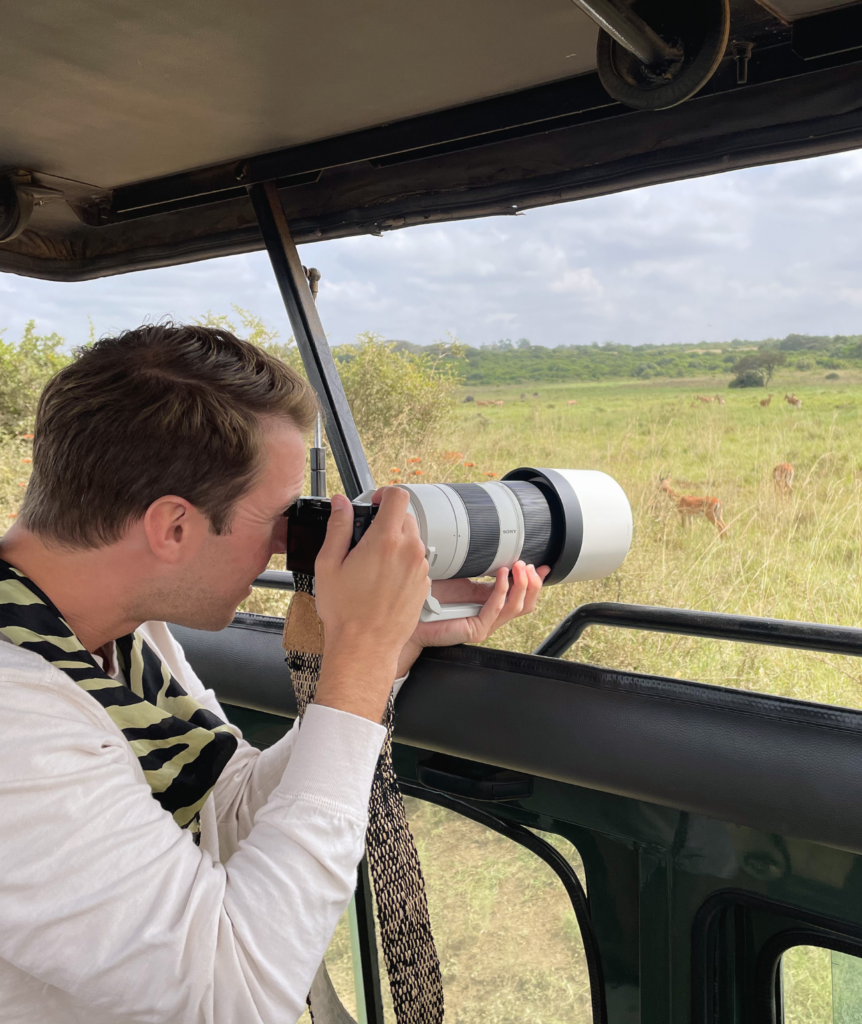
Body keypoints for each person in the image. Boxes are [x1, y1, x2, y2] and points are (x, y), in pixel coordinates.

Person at [0, 324, 547, 1024]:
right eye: (280, 515)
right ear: (173, 528)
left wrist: (384, 657)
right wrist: (356, 659)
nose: (294, 544)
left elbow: (227, 809)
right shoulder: (18, 710)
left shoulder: (116, 637)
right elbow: (233, 995)